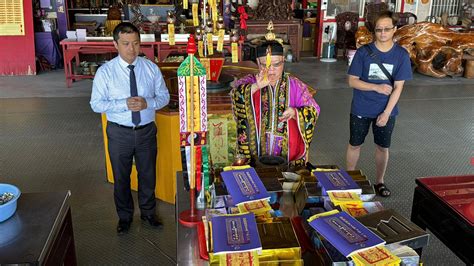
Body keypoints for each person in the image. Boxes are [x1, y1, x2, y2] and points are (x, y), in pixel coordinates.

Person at [90, 22, 170, 235]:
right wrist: (122, 104)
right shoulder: (105, 72)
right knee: (121, 177)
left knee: (148, 175)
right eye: (125, 44)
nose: (131, 49)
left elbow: (164, 97)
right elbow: (96, 104)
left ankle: (148, 213)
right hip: (119, 132)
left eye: (135, 43)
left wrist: (148, 103)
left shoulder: (150, 68)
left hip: (145, 131)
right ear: (115, 44)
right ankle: (125, 217)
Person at [346, 11, 412, 197]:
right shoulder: (363, 52)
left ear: (394, 29)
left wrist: (386, 113)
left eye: (387, 29)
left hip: (386, 110)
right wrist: (375, 88)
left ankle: (380, 182)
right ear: (374, 31)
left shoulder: (401, 55)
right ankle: (349, 179)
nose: (383, 33)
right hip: (361, 108)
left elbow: (398, 87)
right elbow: (352, 81)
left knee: (383, 147)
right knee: (354, 144)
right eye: (379, 30)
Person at [231, 34, 320, 167]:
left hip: (287, 149)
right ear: (257, 61)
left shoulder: (295, 85)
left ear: (283, 60)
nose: (271, 70)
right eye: (264, 65)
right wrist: (256, 87)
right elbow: (235, 96)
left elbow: (313, 109)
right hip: (256, 147)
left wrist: (295, 113)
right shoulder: (249, 82)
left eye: (276, 64)